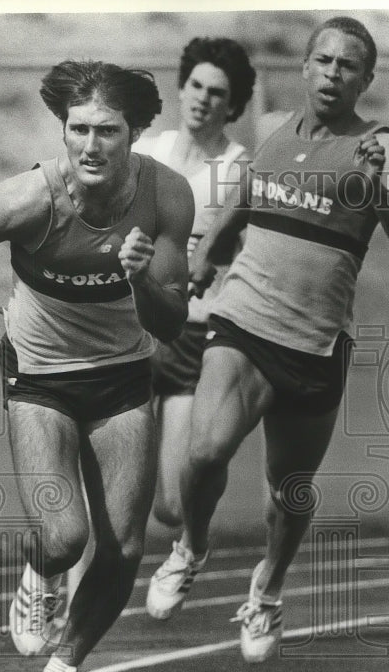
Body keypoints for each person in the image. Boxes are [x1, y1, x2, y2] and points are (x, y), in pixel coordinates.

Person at [0, 60, 193, 672]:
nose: (91, 145)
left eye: (107, 130)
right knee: (66, 536)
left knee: (126, 546)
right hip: (40, 377)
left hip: (123, 377)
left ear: (135, 135)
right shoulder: (33, 199)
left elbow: (172, 320)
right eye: (78, 129)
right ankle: (42, 572)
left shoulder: (166, 197)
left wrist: (141, 278)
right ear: (63, 130)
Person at [144, 16, 389, 663]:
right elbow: (240, 206)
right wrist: (205, 258)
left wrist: (386, 192)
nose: (332, 73)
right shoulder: (268, 132)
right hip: (241, 320)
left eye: (348, 65)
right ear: (305, 67)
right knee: (204, 452)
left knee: (286, 495)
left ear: (365, 79)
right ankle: (191, 548)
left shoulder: (380, 145)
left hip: (314, 343)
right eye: (323, 60)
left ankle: (267, 587)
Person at [133, 37, 255, 529]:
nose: (203, 98)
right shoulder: (144, 152)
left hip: (193, 336)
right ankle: (58, 592)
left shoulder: (240, 168)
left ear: (232, 105)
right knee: (109, 478)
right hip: (133, 330)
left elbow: (254, 256)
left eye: (216, 92)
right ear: (181, 89)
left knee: (172, 506)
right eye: (196, 85)